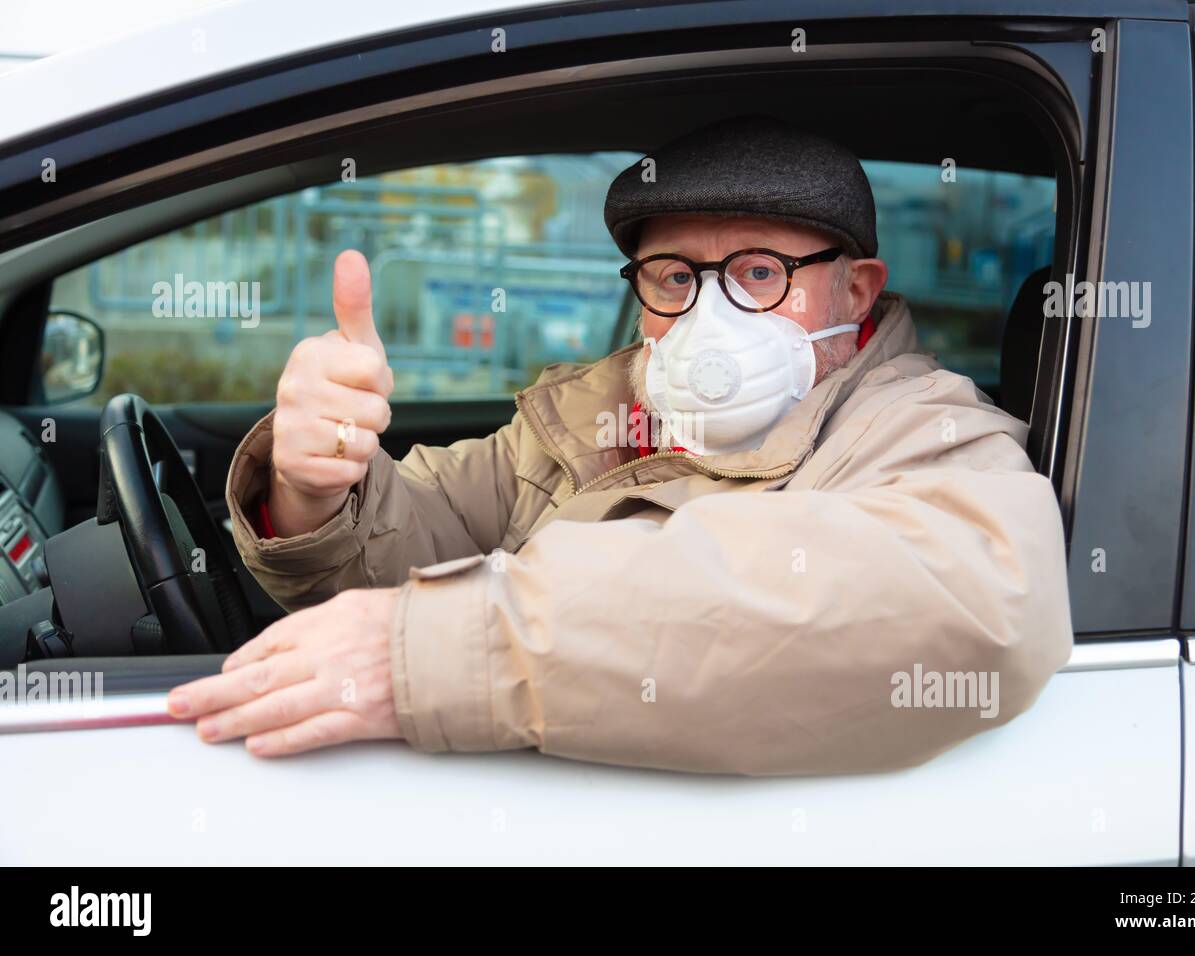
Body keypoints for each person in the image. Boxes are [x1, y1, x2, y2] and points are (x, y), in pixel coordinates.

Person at [167, 116, 1073, 775]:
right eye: (675, 277)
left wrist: (441, 651)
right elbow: (429, 525)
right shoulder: (595, 415)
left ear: (857, 290)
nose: (710, 316)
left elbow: (972, 604)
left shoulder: (918, 429)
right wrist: (314, 486)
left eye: (760, 273)